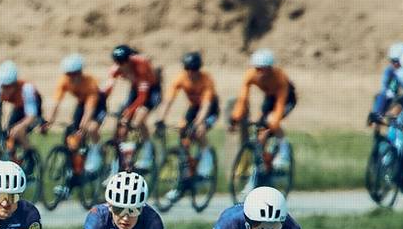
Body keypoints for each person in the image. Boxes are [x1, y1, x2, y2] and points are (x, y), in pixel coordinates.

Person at [157, 51, 220, 201]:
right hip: (193, 109)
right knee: (182, 131)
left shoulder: (206, 80)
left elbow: (205, 106)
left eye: (194, 69)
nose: (191, 72)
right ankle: (185, 170)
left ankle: (206, 158)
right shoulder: (181, 79)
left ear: (199, 69)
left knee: (199, 131)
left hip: (210, 109)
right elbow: (168, 100)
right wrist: (161, 119)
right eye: (188, 69)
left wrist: (198, 123)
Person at [230, 48, 296, 171]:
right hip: (270, 97)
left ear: (270, 68)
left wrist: (273, 123)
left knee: (271, 121)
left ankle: (283, 149)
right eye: (257, 69)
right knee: (260, 130)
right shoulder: (250, 75)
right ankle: (264, 163)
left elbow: (280, 104)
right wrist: (236, 117)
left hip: (287, 98)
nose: (260, 73)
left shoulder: (280, 77)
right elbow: (243, 99)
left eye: (264, 69)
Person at [42, 53, 106, 176]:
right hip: (82, 103)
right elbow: (56, 103)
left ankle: (96, 150)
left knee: (90, 127)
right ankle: (75, 164)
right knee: (73, 134)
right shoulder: (64, 81)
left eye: (74, 74)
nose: (71, 77)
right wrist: (49, 121)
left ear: (80, 73)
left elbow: (89, 109)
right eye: (68, 74)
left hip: (98, 104)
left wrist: (84, 125)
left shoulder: (89, 83)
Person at [103, 45, 161, 168]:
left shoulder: (141, 66)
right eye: (118, 62)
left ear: (129, 60)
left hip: (151, 90)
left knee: (138, 121)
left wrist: (129, 112)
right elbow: (108, 89)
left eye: (123, 62)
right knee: (122, 125)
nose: (121, 65)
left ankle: (147, 150)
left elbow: (143, 97)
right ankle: (118, 163)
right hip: (136, 89)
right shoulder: (116, 68)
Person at [0, 61, 43, 154]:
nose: (5, 90)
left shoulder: (27, 89)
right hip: (19, 107)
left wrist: (20, 127)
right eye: (3, 87)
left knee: (19, 132)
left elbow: (32, 115)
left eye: (9, 86)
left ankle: (31, 155)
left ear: (15, 84)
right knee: (8, 133)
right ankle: (12, 157)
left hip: (33, 108)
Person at [368, 42, 403, 127]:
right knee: (380, 96)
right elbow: (388, 91)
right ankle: (378, 123)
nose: (394, 64)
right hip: (396, 98)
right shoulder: (390, 71)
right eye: (392, 61)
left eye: (396, 61)